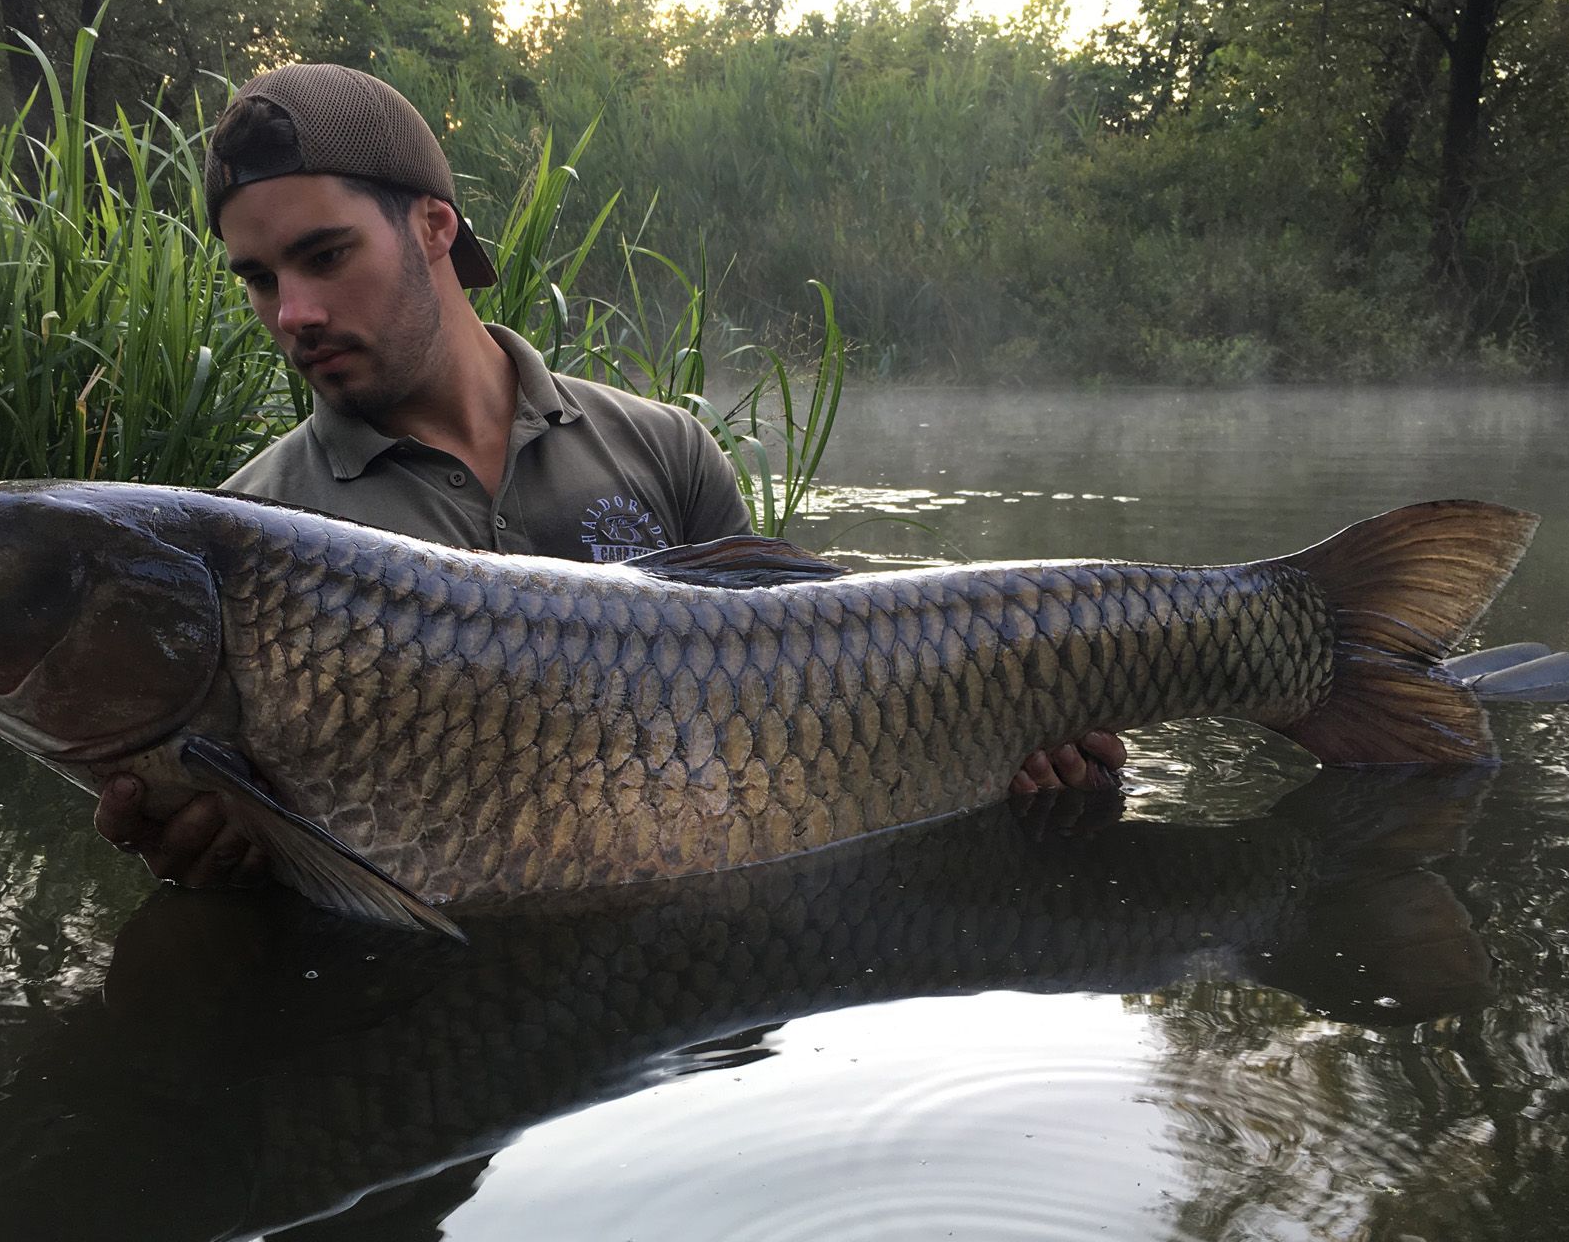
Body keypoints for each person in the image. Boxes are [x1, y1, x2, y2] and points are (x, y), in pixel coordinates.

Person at [96, 64, 1124, 886]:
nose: (292, 313)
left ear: (434, 227)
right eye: (261, 280)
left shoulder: (664, 447)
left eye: (324, 257)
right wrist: (217, 868)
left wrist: (1009, 761)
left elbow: (830, 697)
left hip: (717, 972)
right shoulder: (251, 534)